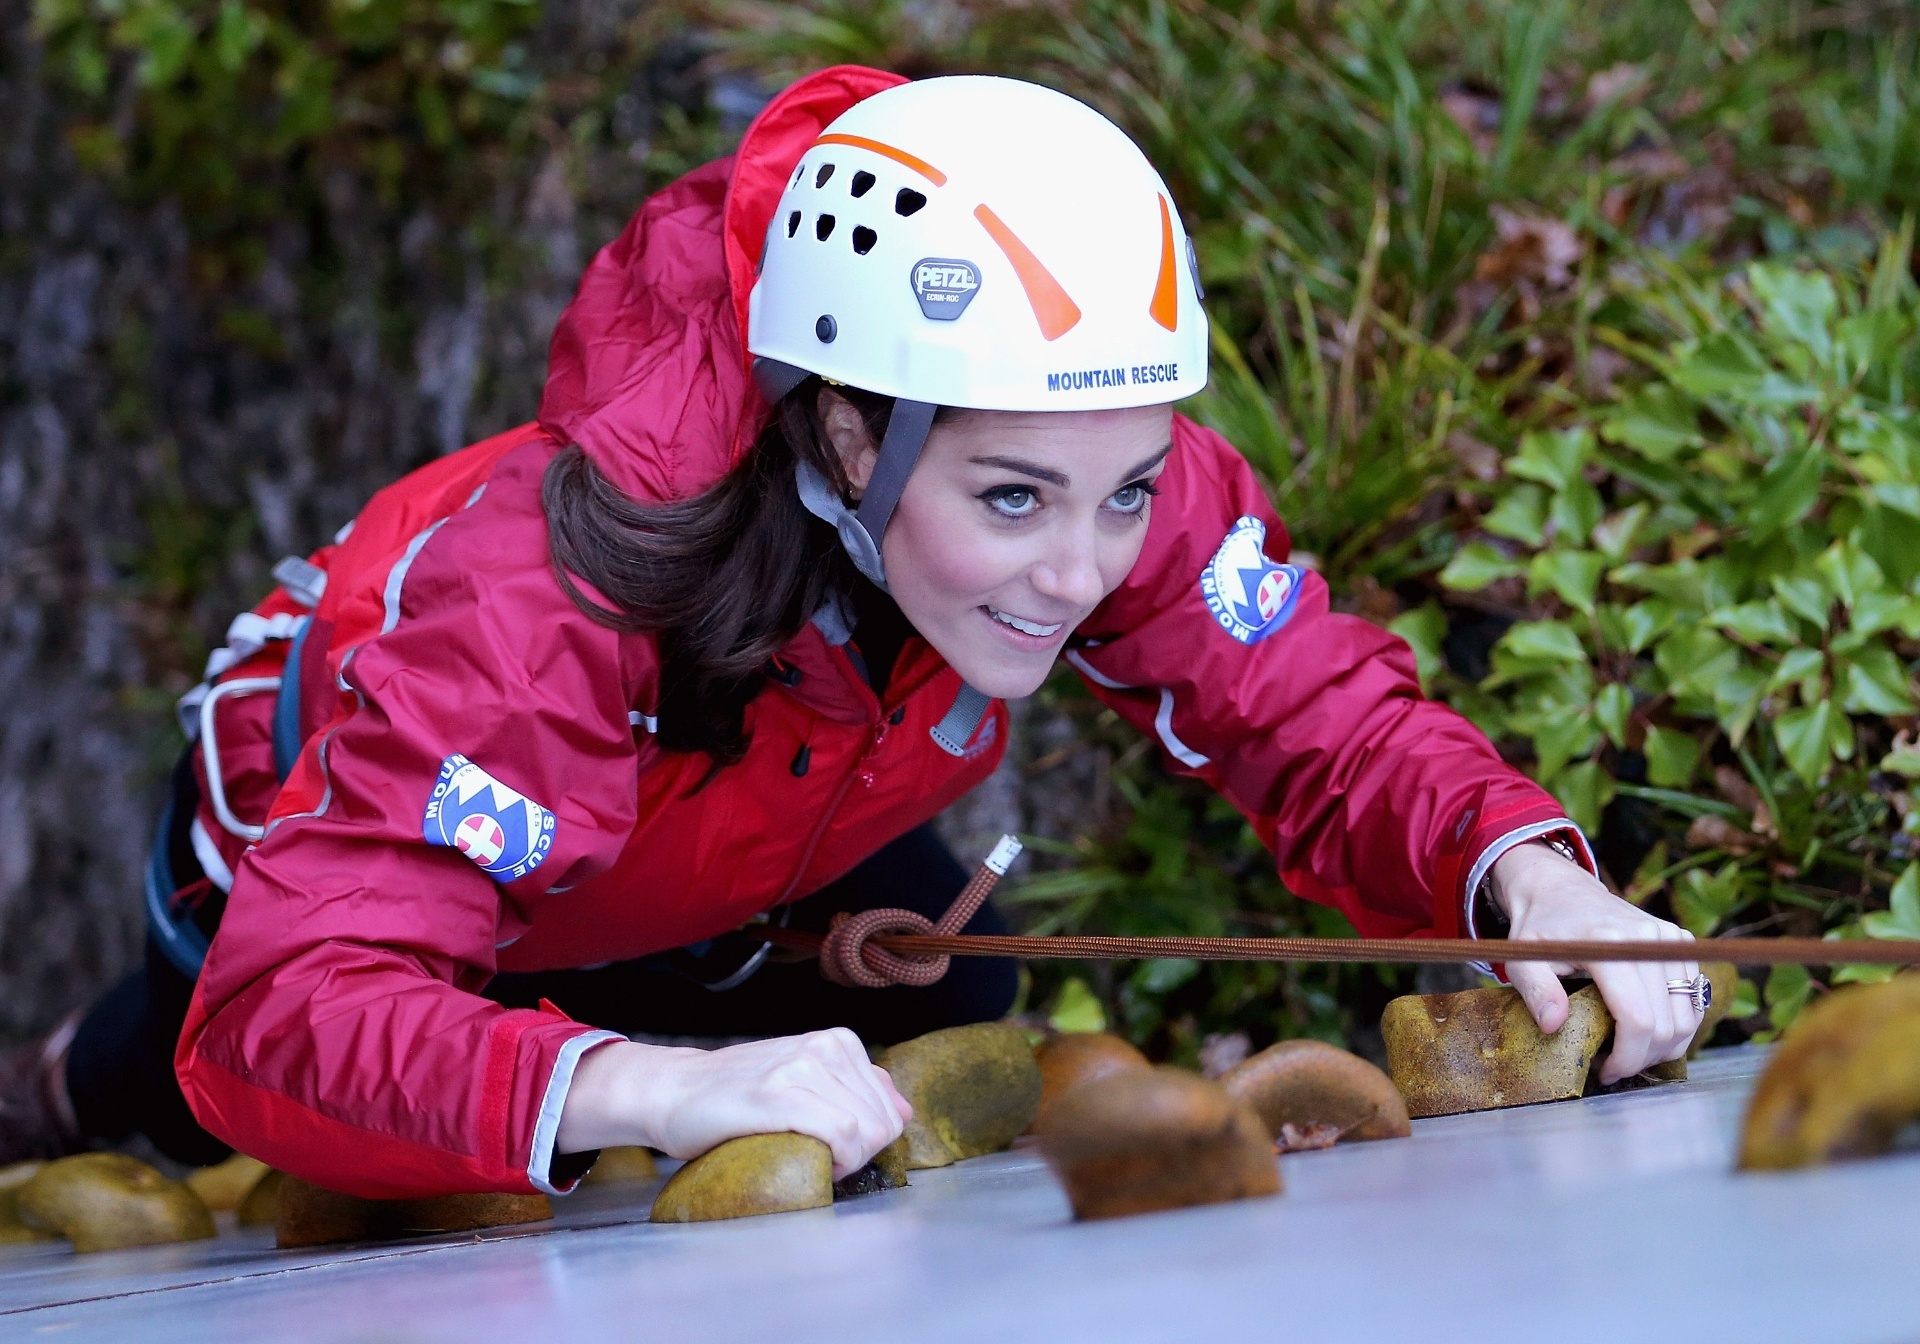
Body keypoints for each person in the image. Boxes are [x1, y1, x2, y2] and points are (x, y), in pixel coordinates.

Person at [0, 68, 1703, 1194]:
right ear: (838, 431)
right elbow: (287, 1005)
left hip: (756, 839)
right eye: (1018, 504)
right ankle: (51, 1090)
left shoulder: (1078, 451)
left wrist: (1523, 872)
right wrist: (639, 1091)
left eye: (1129, 492)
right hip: (346, 821)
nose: (1082, 569)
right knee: (178, 1071)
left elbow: (1310, 712)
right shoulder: (547, 602)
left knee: (957, 991)